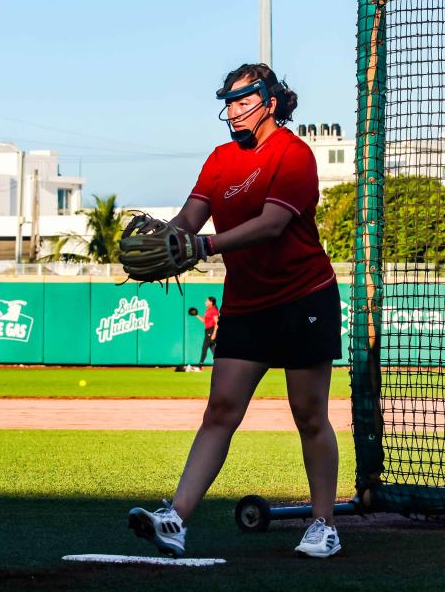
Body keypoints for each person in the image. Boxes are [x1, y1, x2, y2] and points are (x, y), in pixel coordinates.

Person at [127, 63, 343, 558]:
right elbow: (188, 218)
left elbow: (271, 225)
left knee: (309, 415)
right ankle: (175, 520)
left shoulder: (294, 154)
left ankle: (323, 525)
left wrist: (203, 247)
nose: (233, 109)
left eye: (244, 99)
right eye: (228, 101)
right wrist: (167, 238)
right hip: (248, 302)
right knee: (220, 409)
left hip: (304, 296)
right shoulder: (221, 158)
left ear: (270, 101)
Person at [189, 296, 219, 371]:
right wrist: (196, 315)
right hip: (208, 330)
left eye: (207, 301)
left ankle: (200, 366)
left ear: (211, 302)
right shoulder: (208, 310)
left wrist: (214, 333)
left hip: (211, 331)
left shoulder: (213, 310)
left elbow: (217, 323)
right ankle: (220, 364)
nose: (205, 302)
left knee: (204, 347)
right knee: (212, 348)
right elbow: (204, 321)